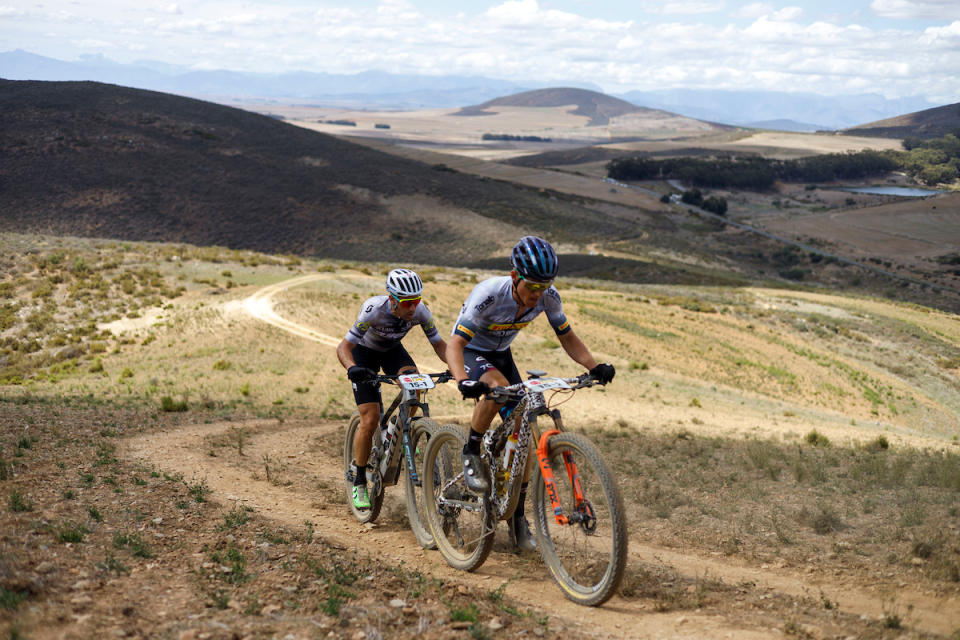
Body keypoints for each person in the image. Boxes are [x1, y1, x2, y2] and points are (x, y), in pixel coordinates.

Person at [447, 236, 615, 551]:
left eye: (544, 287)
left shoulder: (548, 297)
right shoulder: (488, 296)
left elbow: (567, 337)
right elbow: (455, 344)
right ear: (514, 277)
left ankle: (517, 517)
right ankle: (470, 450)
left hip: (501, 354)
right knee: (497, 388)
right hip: (470, 352)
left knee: (523, 431)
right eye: (532, 288)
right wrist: (461, 380)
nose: (538, 296)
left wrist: (595, 367)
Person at [336, 268, 447, 511]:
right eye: (407, 303)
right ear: (392, 299)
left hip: (392, 351)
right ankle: (359, 479)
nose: (412, 308)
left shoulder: (421, 312)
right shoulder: (373, 309)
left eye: (416, 301)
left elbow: (440, 345)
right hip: (363, 354)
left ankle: (398, 429)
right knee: (370, 418)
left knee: (414, 386)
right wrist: (352, 367)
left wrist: (458, 368)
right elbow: (343, 347)